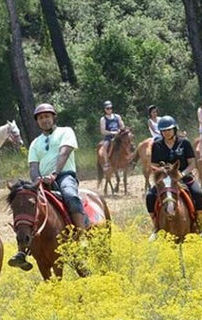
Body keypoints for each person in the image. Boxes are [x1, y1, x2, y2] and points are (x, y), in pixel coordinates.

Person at [9, 103, 86, 269]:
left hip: (64, 175)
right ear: (37, 121)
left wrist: (55, 174)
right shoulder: (35, 143)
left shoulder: (66, 132)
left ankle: (82, 238)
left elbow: (64, 153)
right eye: (41, 118)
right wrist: (37, 180)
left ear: (53, 117)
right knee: (24, 206)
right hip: (41, 181)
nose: (44, 120)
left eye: (47, 116)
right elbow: (33, 166)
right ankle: (22, 251)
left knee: (71, 196)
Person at [145, 115, 202, 241]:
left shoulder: (184, 143)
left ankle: (199, 226)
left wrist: (182, 174)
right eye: (163, 131)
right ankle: (156, 226)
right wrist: (161, 171)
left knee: (198, 193)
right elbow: (154, 165)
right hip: (164, 178)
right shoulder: (157, 145)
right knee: (150, 196)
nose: (166, 133)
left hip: (183, 176)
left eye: (168, 130)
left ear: (174, 129)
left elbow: (192, 163)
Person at [99, 100, 125, 170]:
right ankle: (106, 162)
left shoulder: (117, 116)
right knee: (105, 147)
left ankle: (130, 159)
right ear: (105, 109)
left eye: (110, 108)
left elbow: (122, 125)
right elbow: (103, 131)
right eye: (107, 108)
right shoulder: (103, 119)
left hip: (119, 134)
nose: (109, 110)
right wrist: (111, 133)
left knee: (128, 141)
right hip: (109, 136)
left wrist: (121, 129)